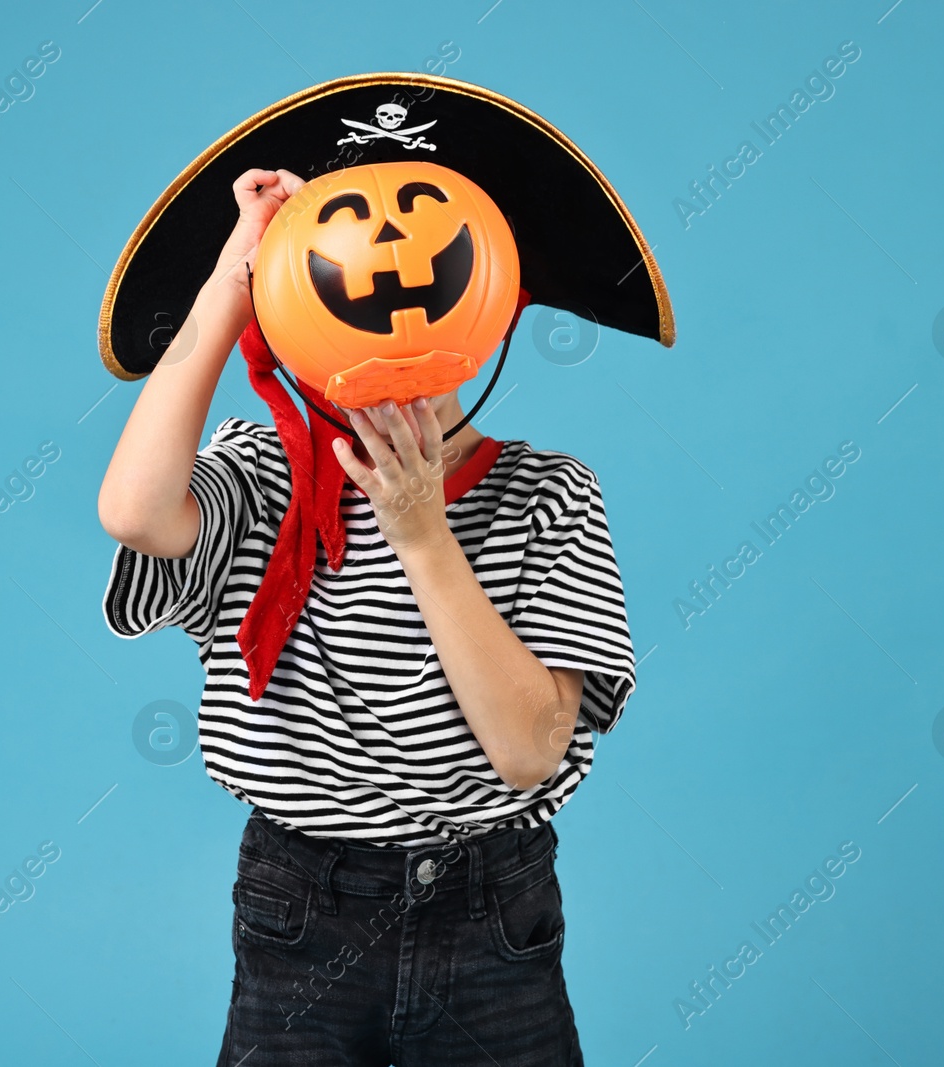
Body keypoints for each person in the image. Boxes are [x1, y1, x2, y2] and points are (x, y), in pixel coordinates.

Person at [99, 166, 639, 1066]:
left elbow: (530, 748)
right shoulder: (264, 476)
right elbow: (137, 513)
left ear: (496, 302)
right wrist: (233, 281)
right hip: (301, 904)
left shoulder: (549, 495)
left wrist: (424, 534)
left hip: (491, 913)